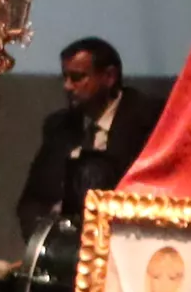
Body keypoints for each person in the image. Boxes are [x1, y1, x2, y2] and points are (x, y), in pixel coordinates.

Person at [19, 37, 163, 245]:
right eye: (65, 77)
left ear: (109, 76)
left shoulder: (149, 119)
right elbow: (33, 201)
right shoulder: (59, 127)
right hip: (67, 253)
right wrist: (44, 243)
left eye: (77, 78)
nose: (67, 86)